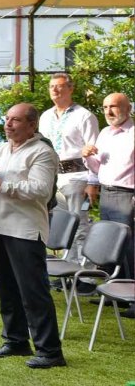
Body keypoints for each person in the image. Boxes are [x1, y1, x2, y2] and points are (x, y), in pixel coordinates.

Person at [0, 103, 66, 368]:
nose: (8, 124)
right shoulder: (3, 148)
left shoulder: (42, 152)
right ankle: (16, 340)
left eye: (15, 120)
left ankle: (50, 351)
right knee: (7, 289)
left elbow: (41, 190)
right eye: (7, 118)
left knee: (33, 292)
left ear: (32, 125)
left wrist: (3, 186)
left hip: (25, 230)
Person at [39, 73, 98, 265]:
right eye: (51, 86)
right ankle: (69, 268)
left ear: (71, 89)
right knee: (63, 224)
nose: (55, 90)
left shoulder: (84, 116)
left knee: (80, 223)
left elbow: (94, 150)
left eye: (59, 86)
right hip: (54, 178)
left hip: (78, 177)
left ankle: (86, 272)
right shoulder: (46, 116)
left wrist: (92, 182)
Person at [83, 92, 134, 285]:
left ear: (128, 109)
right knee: (111, 242)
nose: (108, 111)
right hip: (106, 192)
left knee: (128, 245)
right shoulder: (105, 133)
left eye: (113, 106)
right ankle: (113, 289)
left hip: (127, 195)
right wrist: (88, 156)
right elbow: (98, 167)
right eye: (105, 107)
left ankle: (130, 292)